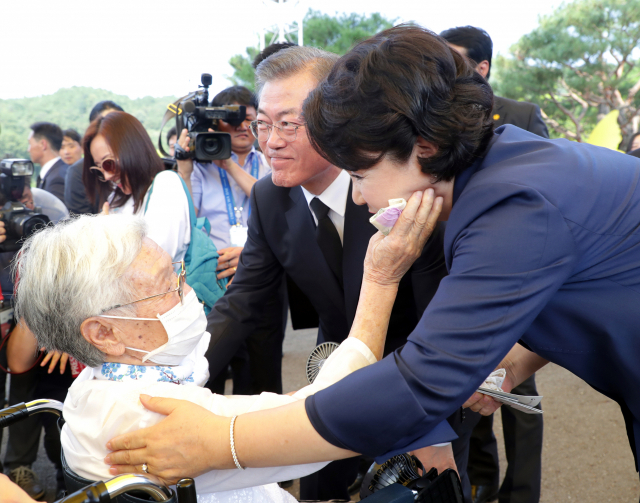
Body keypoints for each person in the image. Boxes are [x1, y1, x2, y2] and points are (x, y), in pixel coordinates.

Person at [105, 26, 640, 500]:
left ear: (424, 146)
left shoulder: (510, 207)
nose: (358, 199)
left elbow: (419, 383)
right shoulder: (498, 166)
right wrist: (517, 360)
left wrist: (223, 443)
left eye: (359, 175)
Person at [161, 45, 455, 502]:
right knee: (317, 489)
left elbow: (441, 308)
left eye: (288, 124)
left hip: (419, 371)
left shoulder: (395, 184)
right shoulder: (268, 198)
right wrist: (178, 377)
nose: (270, 141)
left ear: (337, 116)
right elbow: (242, 304)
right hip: (333, 371)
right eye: (262, 124)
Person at [13, 213, 397, 503]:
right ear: (104, 333)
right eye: (169, 284)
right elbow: (320, 424)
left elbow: (196, 361)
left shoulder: (94, 383)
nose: (187, 289)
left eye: (178, 272)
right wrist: (381, 280)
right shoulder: (159, 415)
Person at [440, 25, 548, 503]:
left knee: (518, 392)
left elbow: (545, 188)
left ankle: (522, 490)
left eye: (453, 60)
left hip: (521, 280)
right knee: (470, 389)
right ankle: (481, 481)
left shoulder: (522, 115)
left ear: (481, 68)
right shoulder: (436, 119)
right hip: (463, 270)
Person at [177, 85, 277, 397]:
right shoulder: (200, 168)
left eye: (248, 119)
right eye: (230, 120)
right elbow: (187, 219)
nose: (240, 127)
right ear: (214, 124)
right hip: (214, 278)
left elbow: (272, 205)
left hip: (264, 274)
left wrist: (228, 164)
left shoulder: (269, 161)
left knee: (263, 373)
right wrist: (184, 165)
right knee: (211, 369)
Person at [83, 111, 190, 264]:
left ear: (132, 150)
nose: (106, 176)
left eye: (109, 164)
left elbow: (156, 261)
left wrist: (106, 237)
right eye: (99, 170)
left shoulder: (166, 185)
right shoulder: (116, 197)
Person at [65, 101, 124, 215]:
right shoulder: (78, 172)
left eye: (116, 124)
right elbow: (80, 221)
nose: (107, 176)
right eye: (98, 166)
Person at [28, 122, 68, 203]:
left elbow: (58, 213)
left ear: (43, 144)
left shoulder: (57, 179)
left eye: (30, 144)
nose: (28, 149)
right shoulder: (58, 171)